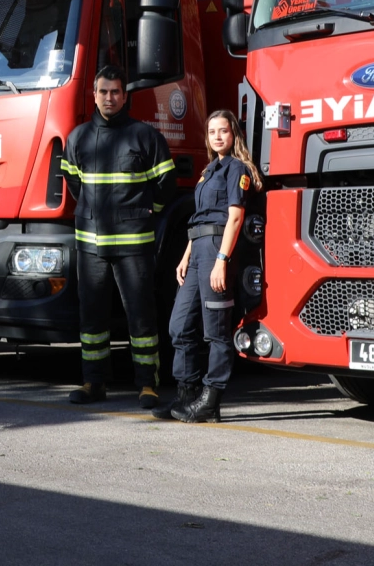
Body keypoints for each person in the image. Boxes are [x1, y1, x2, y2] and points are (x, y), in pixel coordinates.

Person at [62, 65, 176, 408]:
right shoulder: (77, 137)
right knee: (91, 318)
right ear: (93, 96)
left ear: (124, 96)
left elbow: (164, 187)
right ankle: (93, 383)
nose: (109, 97)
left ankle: (147, 385)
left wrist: (141, 214)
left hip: (133, 244)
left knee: (141, 315)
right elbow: (74, 185)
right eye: (103, 92)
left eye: (115, 92)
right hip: (90, 244)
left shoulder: (145, 136)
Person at [158, 109, 259, 423]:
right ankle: (187, 395)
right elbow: (199, 217)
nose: (217, 136)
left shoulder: (236, 169)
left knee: (215, 332)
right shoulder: (208, 171)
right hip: (198, 247)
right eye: (212, 131)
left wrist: (222, 261)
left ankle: (210, 401)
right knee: (179, 326)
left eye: (223, 131)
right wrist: (186, 255)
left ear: (234, 135)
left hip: (217, 249)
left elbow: (235, 217)